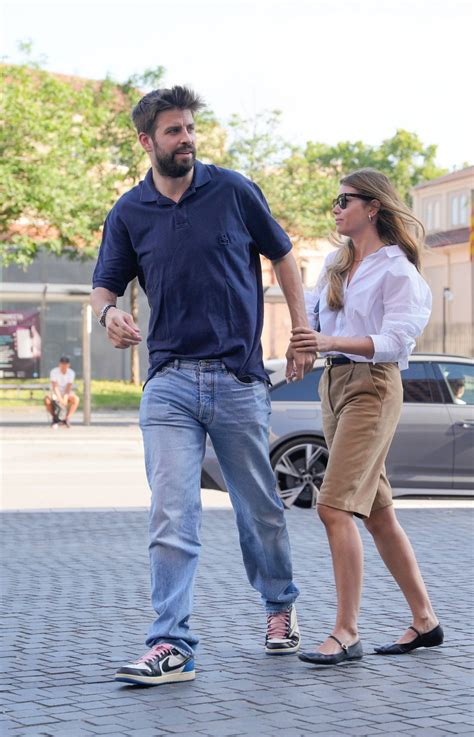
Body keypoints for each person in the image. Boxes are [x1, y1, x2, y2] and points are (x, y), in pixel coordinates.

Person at [90, 86, 315, 686]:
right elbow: (104, 287)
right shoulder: (129, 211)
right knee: (172, 512)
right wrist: (107, 314)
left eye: (190, 128)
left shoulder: (235, 191)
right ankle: (172, 644)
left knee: (259, 509)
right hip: (167, 383)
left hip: (238, 379)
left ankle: (278, 607)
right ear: (147, 141)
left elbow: (284, 256)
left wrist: (300, 326)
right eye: (173, 131)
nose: (186, 138)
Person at [291, 168, 443, 666]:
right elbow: (310, 320)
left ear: (373, 207)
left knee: (333, 507)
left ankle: (346, 632)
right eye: (334, 202)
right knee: (377, 514)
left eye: (345, 200)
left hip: (373, 387)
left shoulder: (398, 271)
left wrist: (330, 342)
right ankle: (425, 621)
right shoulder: (337, 264)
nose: (336, 209)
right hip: (334, 385)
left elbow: (397, 341)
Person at [44, 356, 80, 428]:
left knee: (76, 399)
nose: (64, 366)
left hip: (67, 392)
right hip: (55, 392)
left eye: (66, 364)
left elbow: (69, 386)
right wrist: (60, 398)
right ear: (59, 364)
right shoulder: (54, 371)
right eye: (62, 363)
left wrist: (65, 397)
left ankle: (66, 418)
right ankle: (55, 418)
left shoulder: (71, 373)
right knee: (47, 400)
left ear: (68, 365)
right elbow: (55, 386)